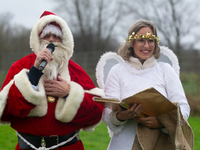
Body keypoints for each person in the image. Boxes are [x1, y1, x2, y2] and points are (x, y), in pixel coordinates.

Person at [0, 11, 105, 150]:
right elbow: (8, 108)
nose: (51, 40)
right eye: (46, 35)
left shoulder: (76, 71)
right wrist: (34, 74)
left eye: (56, 36)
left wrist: (69, 93)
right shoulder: (20, 67)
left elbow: (96, 112)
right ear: (37, 39)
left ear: (64, 40)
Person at [102, 20, 193, 150]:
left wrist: (162, 122)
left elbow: (183, 107)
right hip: (124, 144)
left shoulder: (165, 70)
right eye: (141, 40)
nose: (146, 45)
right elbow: (107, 113)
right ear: (131, 42)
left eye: (151, 41)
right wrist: (121, 116)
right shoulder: (117, 71)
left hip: (160, 143)